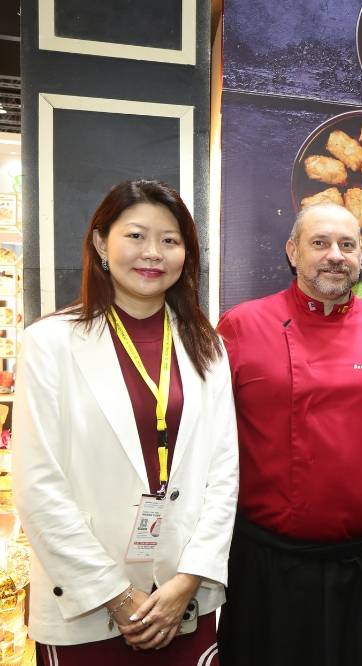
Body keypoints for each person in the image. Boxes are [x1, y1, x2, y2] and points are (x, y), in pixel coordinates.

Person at [13, 179, 238, 665]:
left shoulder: (207, 346)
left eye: (170, 240)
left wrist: (189, 580)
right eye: (135, 235)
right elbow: (37, 486)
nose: (152, 253)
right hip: (84, 602)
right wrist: (116, 596)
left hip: (184, 600)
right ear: (100, 242)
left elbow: (224, 474)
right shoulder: (49, 343)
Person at [215, 203, 362, 666]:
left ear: (361, 257)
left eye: (347, 245)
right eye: (320, 243)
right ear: (293, 252)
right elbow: (208, 440)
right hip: (267, 563)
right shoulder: (240, 326)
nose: (335, 255)